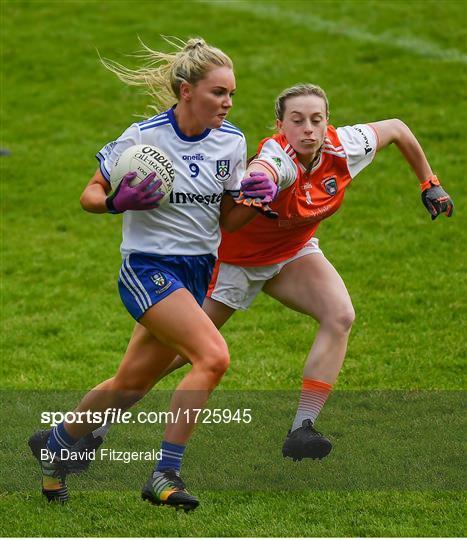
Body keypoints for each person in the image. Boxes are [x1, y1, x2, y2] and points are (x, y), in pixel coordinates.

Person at [44, 83, 454, 470]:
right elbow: (268, 170)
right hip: (232, 264)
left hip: (292, 254)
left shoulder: (343, 146)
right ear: (280, 125)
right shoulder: (277, 159)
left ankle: (302, 429)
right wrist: (263, 180)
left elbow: (398, 129)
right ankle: (85, 430)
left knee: (340, 315)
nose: (308, 129)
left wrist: (429, 183)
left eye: (316, 119)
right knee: (164, 363)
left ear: (329, 122)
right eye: (297, 120)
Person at [28, 37, 276, 510]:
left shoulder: (232, 143)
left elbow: (228, 222)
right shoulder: (144, 136)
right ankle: (165, 473)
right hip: (147, 269)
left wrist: (258, 202)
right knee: (213, 358)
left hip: (196, 271)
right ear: (186, 91)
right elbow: (90, 194)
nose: (227, 103)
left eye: (231, 95)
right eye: (218, 93)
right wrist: (116, 202)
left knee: (129, 386)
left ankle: (55, 447)